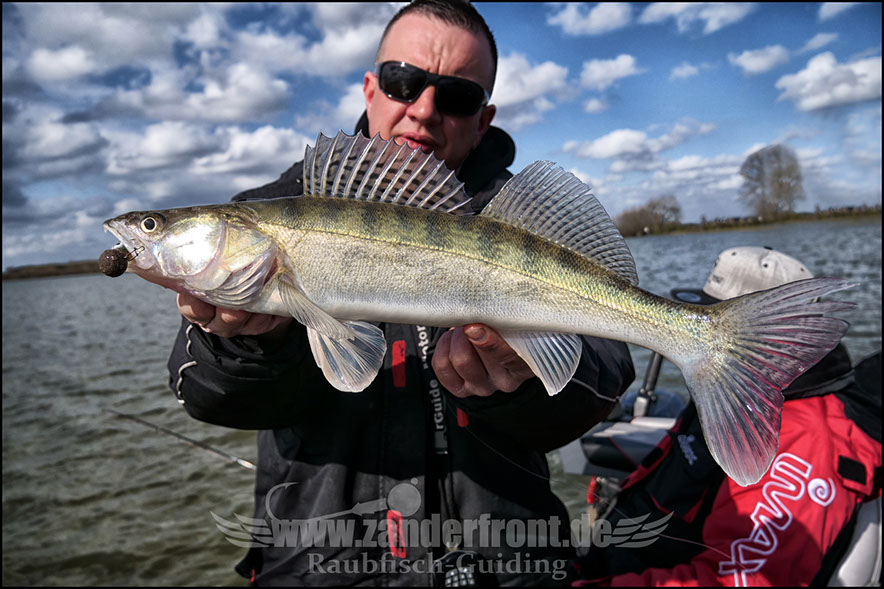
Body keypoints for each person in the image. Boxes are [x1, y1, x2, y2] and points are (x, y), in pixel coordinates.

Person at [167, 1, 635, 585]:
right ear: (371, 89)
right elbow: (203, 394)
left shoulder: (521, 219)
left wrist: (520, 383)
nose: (424, 109)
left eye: (457, 95)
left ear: (484, 119)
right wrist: (246, 345)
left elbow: (606, 374)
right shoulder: (267, 211)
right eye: (403, 81)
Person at [575, 246, 882, 586]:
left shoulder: (805, 441)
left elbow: (742, 578)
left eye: (718, 323)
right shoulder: (736, 384)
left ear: (777, 334)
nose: (690, 337)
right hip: (618, 556)